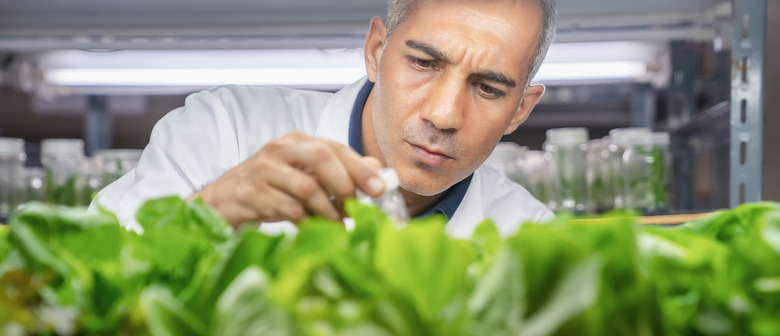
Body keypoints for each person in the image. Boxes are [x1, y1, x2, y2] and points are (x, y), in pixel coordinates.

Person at [92, 0, 557, 238]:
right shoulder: (223, 133)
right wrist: (205, 216)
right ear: (377, 51)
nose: (443, 114)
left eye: (488, 88)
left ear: (520, 109)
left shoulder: (531, 236)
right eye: (423, 63)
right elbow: (78, 299)